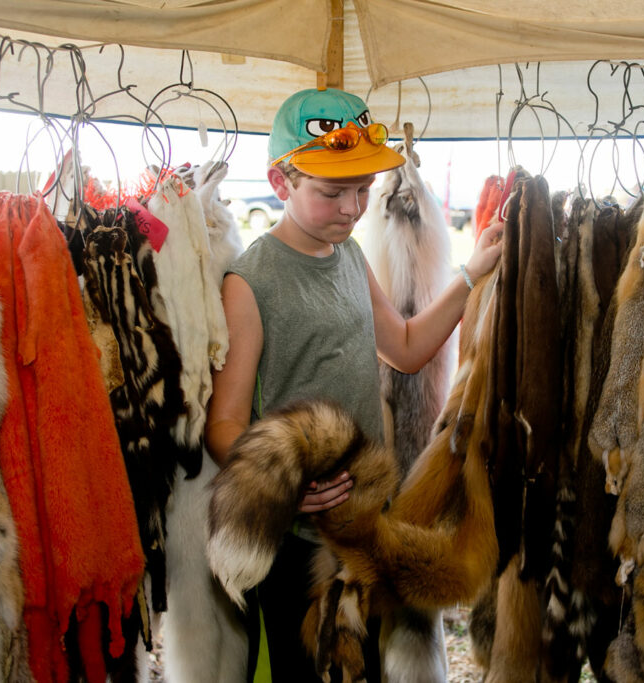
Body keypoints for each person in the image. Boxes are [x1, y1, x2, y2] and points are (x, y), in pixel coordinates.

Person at [204, 87, 504, 683]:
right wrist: (280, 484)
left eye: (363, 189)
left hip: (365, 530)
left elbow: (409, 348)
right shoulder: (250, 282)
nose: (352, 208)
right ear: (280, 181)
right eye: (332, 192)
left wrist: (470, 274)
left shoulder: (349, 257)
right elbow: (225, 422)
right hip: (297, 543)